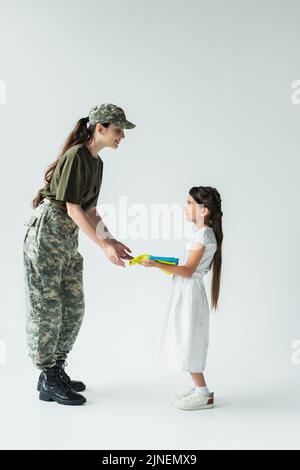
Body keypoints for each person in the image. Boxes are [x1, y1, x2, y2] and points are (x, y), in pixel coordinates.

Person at [23, 103, 135, 405]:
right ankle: (47, 376)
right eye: (118, 129)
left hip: (68, 236)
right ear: (99, 128)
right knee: (47, 307)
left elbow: (89, 209)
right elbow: (72, 208)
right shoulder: (76, 156)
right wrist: (103, 246)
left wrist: (112, 239)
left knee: (73, 305)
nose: (122, 135)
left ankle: (57, 368)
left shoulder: (96, 162)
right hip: (48, 235)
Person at [140, 186, 223, 411]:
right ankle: (199, 390)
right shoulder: (200, 235)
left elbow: (188, 270)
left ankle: (203, 394)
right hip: (186, 291)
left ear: (203, 210)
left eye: (189, 203)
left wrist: (157, 265)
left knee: (189, 341)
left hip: (190, 294)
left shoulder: (204, 235)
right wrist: (162, 263)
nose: (184, 207)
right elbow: (186, 268)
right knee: (185, 338)